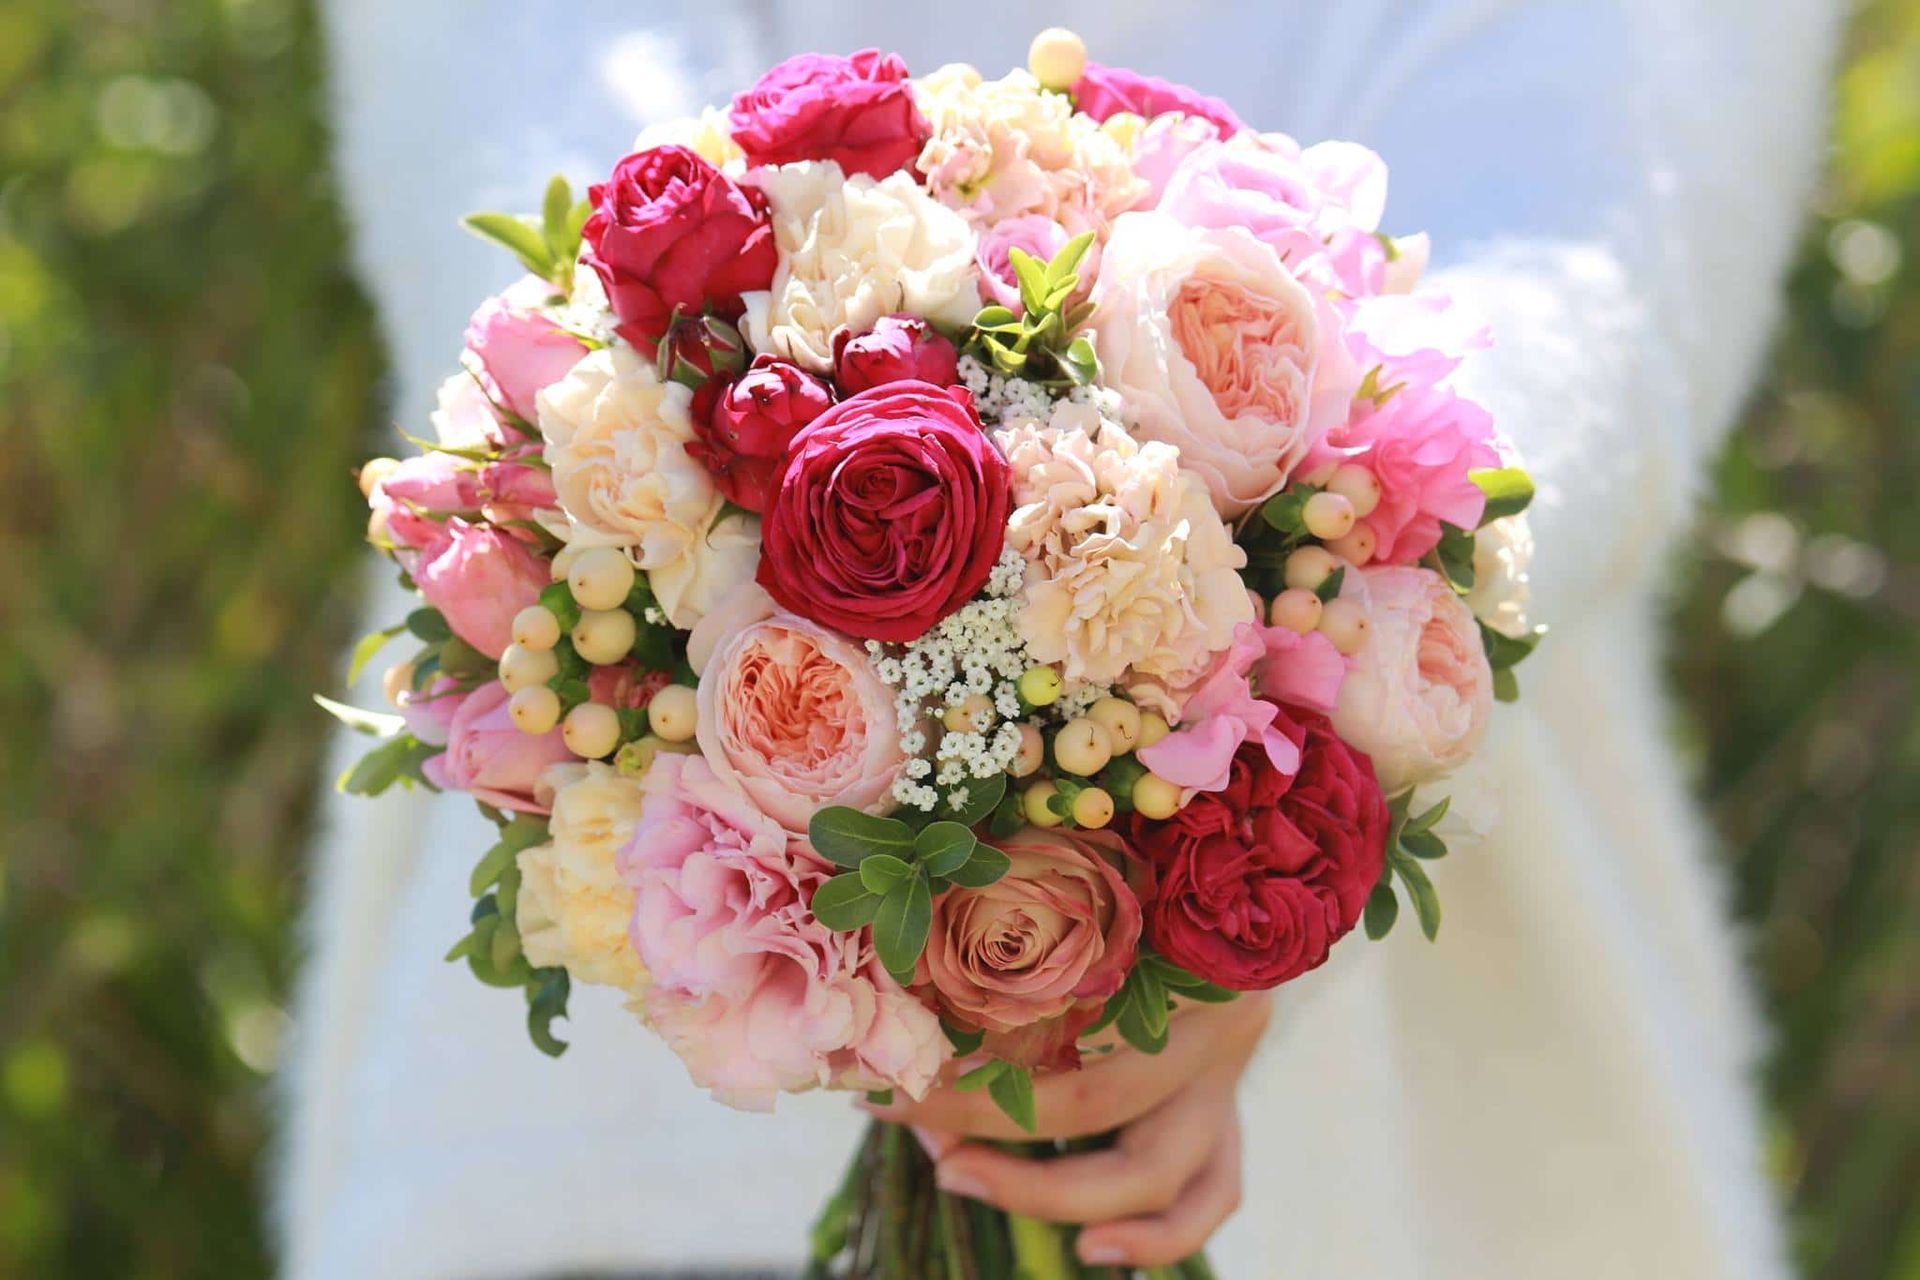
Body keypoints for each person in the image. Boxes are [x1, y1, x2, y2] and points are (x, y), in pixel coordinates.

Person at [284, 2, 1841, 1276]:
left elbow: (1599, 270)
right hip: (592, 1168)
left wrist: (1218, 902)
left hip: (1425, 1156)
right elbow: (518, 180)